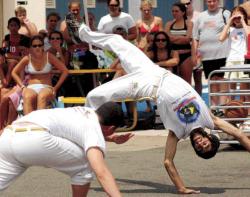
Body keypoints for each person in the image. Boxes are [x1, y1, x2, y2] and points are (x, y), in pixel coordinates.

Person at [66, 13, 250, 194]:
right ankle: (81, 31)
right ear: (211, 138)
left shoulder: (178, 132)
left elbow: (168, 162)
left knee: (94, 95)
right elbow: (239, 135)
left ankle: (85, 133)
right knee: (118, 41)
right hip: (153, 70)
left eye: (200, 148)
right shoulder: (210, 120)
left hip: (146, 86)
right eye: (206, 144)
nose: (201, 144)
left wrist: (181, 188)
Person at [0, 102, 134, 196]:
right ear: (110, 128)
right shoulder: (93, 128)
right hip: (34, 139)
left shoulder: (84, 112)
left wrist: (110, 138)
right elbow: (101, 172)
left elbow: (70, 132)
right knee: (85, 164)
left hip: (9, 135)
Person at [12, 35, 68, 114]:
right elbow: (14, 72)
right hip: (31, 87)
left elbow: (65, 71)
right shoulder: (27, 58)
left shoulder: (49, 56)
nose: (37, 47)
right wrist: (22, 87)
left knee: (42, 96)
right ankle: (28, 123)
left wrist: (55, 88)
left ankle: (39, 124)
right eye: (34, 46)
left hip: (47, 87)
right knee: (27, 96)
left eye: (39, 45)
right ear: (31, 47)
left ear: (43, 46)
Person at [192, 0, 230, 106]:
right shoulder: (200, 16)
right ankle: (214, 109)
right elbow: (195, 37)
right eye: (209, 1)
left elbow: (231, 30)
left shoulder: (225, 13)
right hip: (207, 57)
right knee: (212, 81)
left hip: (223, 55)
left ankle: (223, 108)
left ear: (218, 2)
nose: (211, 3)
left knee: (222, 81)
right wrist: (195, 54)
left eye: (214, 1)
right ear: (205, 2)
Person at [219, 6, 250, 102]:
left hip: (243, 60)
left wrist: (243, 21)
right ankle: (231, 111)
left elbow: (249, 35)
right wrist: (229, 22)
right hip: (231, 60)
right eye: (234, 17)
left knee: (244, 90)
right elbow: (221, 38)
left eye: (239, 17)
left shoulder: (247, 27)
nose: (237, 19)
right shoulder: (230, 29)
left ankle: (247, 113)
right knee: (231, 90)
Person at [165, 2, 193, 84]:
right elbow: (166, 39)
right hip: (172, 55)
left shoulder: (189, 24)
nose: (174, 13)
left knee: (186, 82)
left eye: (176, 11)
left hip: (186, 55)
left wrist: (172, 38)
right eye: (173, 11)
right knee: (173, 82)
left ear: (183, 12)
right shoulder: (169, 24)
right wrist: (181, 37)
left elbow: (187, 39)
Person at [180, 0, 202, 95]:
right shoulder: (179, 16)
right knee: (184, 80)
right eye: (183, 4)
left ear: (191, 2)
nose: (185, 5)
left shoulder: (199, 16)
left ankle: (200, 102)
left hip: (197, 50)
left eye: (187, 3)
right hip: (185, 51)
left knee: (198, 78)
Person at [2, 17, 30, 87]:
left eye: (15, 25)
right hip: (9, 60)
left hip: (22, 60)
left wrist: (23, 52)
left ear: (19, 27)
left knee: (17, 63)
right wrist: (18, 57)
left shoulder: (25, 39)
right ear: (8, 27)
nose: (13, 28)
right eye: (11, 25)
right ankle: (7, 83)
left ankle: (18, 85)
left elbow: (29, 52)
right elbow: (6, 54)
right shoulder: (7, 38)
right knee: (13, 62)